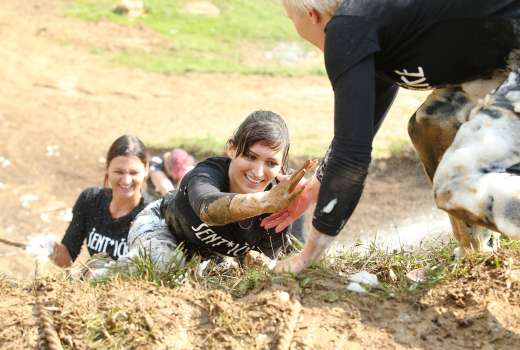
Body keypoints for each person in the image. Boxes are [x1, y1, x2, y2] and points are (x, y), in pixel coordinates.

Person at [261, 0, 520, 274]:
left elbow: (352, 158)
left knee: (455, 185)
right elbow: (357, 132)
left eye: (292, 21)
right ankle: (476, 258)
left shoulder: (347, 28)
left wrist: (309, 254)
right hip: (507, 61)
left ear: (311, 16)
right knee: (432, 124)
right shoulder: (373, 26)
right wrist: (317, 184)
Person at [123, 110, 314, 270]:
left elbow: (267, 261)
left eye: (271, 163)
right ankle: (103, 269)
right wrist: (264, 202)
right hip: (163, 227)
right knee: (165, 265)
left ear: (282, 167)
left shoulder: (281, 202)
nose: (257, 172)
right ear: (231, 149)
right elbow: (209, 210)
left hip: (209, 256)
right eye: (250, 156)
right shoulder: (207, 174)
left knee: (228, 274)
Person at [48, 135, 149, 268]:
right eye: (119, 172)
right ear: (107, 169)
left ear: (146, 170)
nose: (126, 180)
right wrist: (48, 248)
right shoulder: (90, 200)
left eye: (134, 173)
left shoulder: (151, 215)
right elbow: (67, 260)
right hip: (94, 283)